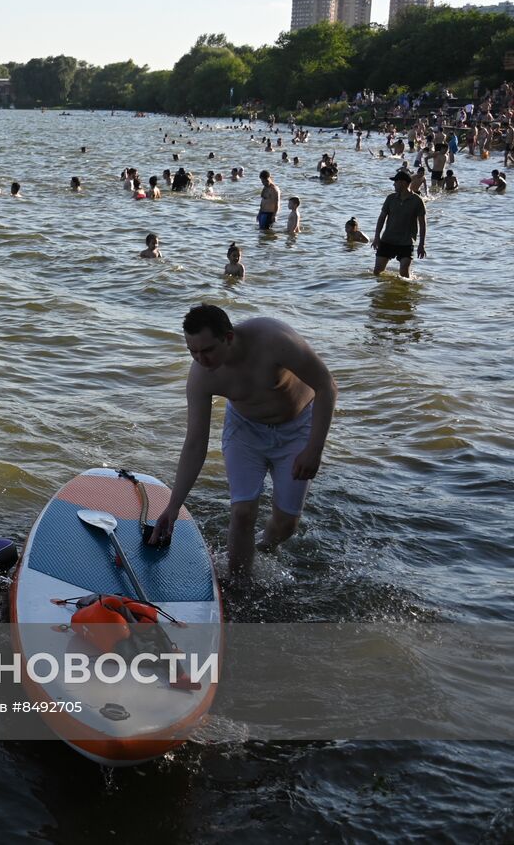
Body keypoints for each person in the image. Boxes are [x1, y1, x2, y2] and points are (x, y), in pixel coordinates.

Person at [153, 304, 337, 578]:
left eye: (207, 350)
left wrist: (314, 448)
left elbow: (326, 386)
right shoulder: (201, 377)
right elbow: (195, 443)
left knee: (287, 524)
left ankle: (263, 545)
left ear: (228, 337)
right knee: (242, 512)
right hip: (245, 431)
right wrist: (174, 506)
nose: (200, 359)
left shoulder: (274, 341)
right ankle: (240, 585)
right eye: (192, 351)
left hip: (296, 428)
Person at [372, 169, 427, 277]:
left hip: (406, 242)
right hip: (387, 240)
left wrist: (421, 244)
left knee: (404, 274)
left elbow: (422, 224)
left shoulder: (417, 201)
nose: (393, 184)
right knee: (377, 272)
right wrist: (377, 237)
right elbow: (381, 218)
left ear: (403, 183)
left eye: (395, 182)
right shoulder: (390, 198)